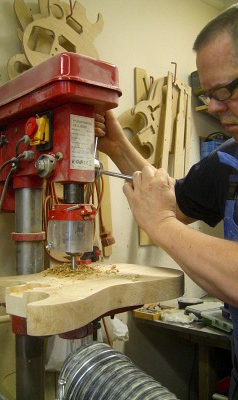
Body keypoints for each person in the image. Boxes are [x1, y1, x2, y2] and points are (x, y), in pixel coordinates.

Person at [95, 4, 238, 399]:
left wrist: (160, 226)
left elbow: (164, 217)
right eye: (207, 96)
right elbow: (172, 202)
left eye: (224, 92)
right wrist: (117, 146)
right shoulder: (229, 157)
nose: (212, 108)